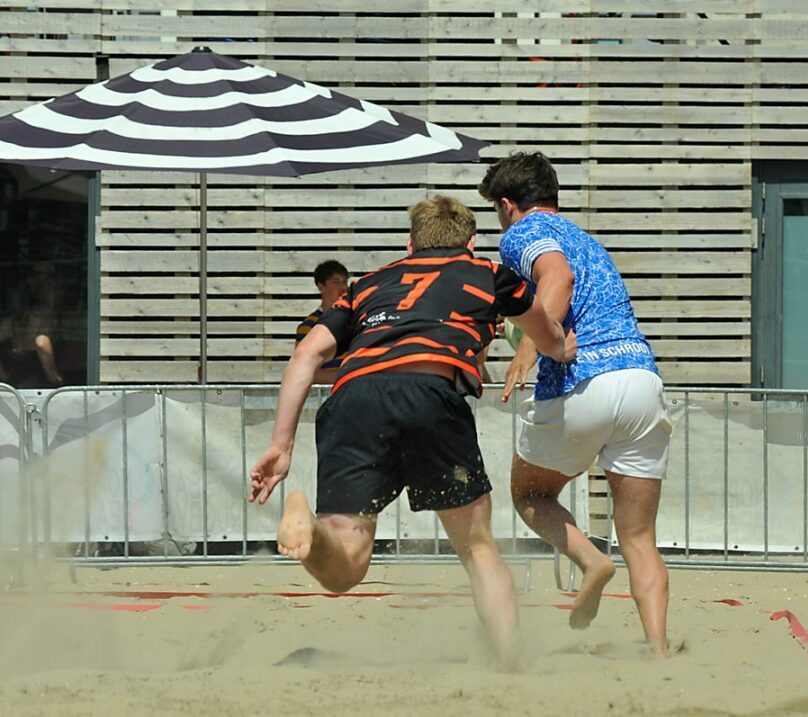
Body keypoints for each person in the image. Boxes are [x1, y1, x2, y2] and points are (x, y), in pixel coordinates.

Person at [249, 195, 574, 668]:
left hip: (353, 399)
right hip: (430, 391)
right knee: (479, 548)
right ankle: (509, 663)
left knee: (345, 569)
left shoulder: (367, 285)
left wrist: (281, 445)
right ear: (471, 242)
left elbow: (306, 356)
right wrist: (562, 346)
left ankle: (311, 525)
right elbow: (546, 335)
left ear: (409, 245)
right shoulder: (488, 274)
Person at [478, 151, 673, 656]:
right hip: (640, 377)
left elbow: (557, 278)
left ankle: (591, 561)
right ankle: (657, 650)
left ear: (507, 205)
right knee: (639, 537)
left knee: (530, 494)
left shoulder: (521, 233)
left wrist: (529, 343)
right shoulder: (588, 240)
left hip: (582, 380)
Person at [296, 260, 350, 385]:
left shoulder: (357, 320)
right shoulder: (308, 326)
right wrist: (347, 378)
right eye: (336, 282)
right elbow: (304, 371)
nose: (343, 287)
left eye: (344, 282)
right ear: (321, 287)